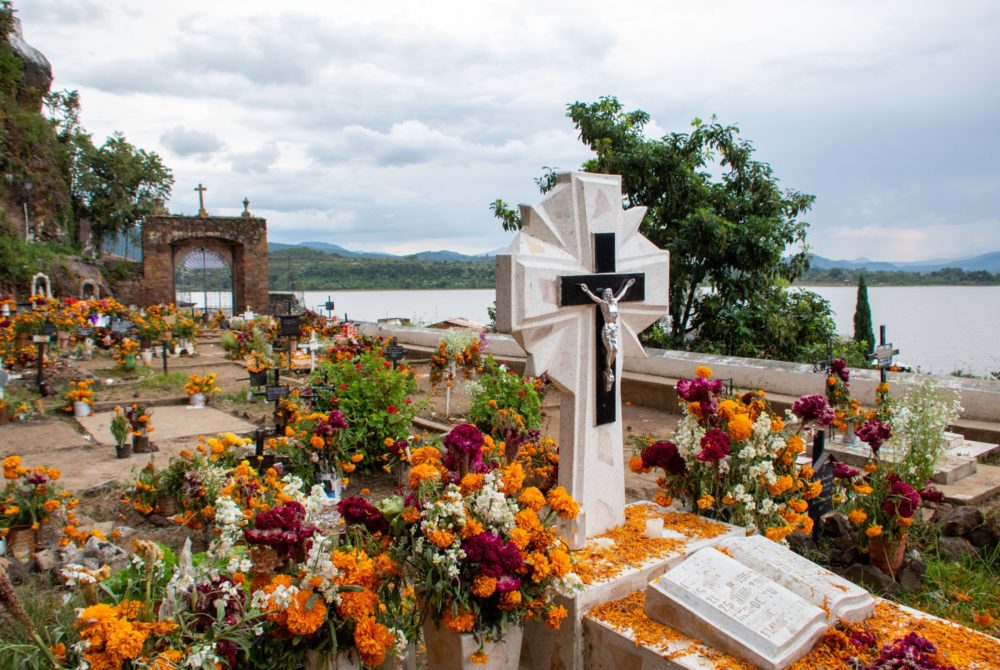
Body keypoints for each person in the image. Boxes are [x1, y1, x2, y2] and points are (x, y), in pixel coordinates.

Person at [579, 278, 635, 392]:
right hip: (607, 329)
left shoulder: (614, 301)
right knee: (610, 350)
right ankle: (608, 368)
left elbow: (621, 294)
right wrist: (587, 290)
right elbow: (595, 298)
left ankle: (608, 367)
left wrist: (627, 285)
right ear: (605, 295)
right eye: (608, 293)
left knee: (615, 350)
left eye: (610, 293)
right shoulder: (604, 304)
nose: (610, 294)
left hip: (614, 328)